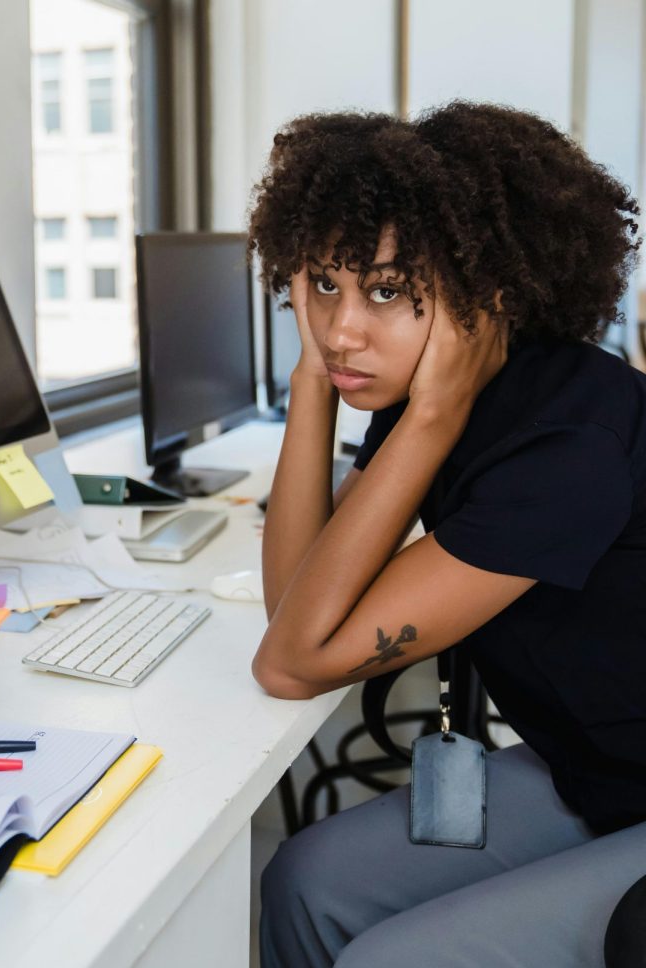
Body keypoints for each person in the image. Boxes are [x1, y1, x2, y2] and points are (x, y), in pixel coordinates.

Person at [248, 101, 646, 967]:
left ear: (485, 296)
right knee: (302, 878)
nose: (342, 328)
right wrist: (313, 385)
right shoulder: (441, 393)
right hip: (596, 769)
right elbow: (297, 608)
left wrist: (429, 416)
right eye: (321, 283)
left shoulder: (566, 444)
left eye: (386, 291)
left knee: (388, 960)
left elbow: (290, 663)